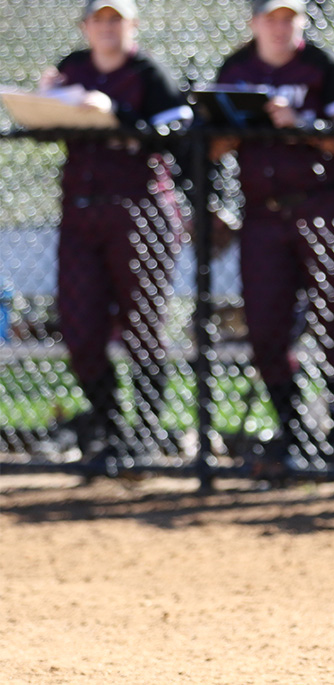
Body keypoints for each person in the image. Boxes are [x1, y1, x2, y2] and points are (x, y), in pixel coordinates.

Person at [213, 0, 334, 476]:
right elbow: (212, 145)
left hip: (326, 208)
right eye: (271, 18)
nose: (280, 27)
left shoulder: (322, 67)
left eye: (289, 17)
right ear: (253, 22)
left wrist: (298, 123)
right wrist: (241, 124)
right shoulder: (236, 69)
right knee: (265, 331)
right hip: (262, 215)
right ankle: (294, 435)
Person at [41, 0, 193, 473]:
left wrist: (118, 112)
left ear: (133, 27)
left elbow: (180, 131)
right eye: (99, 20)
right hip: (81, 214)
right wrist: (48, 98)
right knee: (80, 330)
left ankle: (143, 437)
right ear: (86, 27)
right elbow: (48, 127)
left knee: (143, 329)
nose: (108, 28)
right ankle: (111, 430)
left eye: (117, 20)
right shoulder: (73, 68)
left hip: (139, 212)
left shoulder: (147, 72)